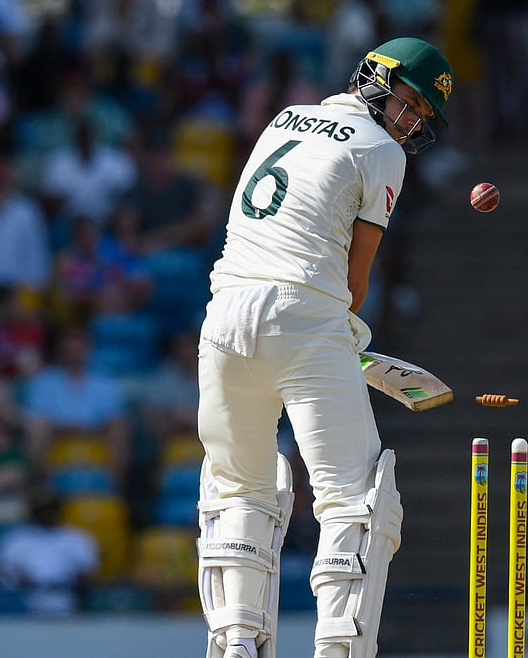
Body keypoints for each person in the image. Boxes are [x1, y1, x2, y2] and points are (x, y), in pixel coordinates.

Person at [193, 37, 454, 658]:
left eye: (423, 114)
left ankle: (237, 644)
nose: (411, 121)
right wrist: (341, 335)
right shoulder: (382, 152)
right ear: (376, 78)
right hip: (304, 319)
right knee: (357, 499)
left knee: (240, 490)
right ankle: (338, 650)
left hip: (223, 318)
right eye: (410, 101)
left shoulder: (285, 118)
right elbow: (354, 282)